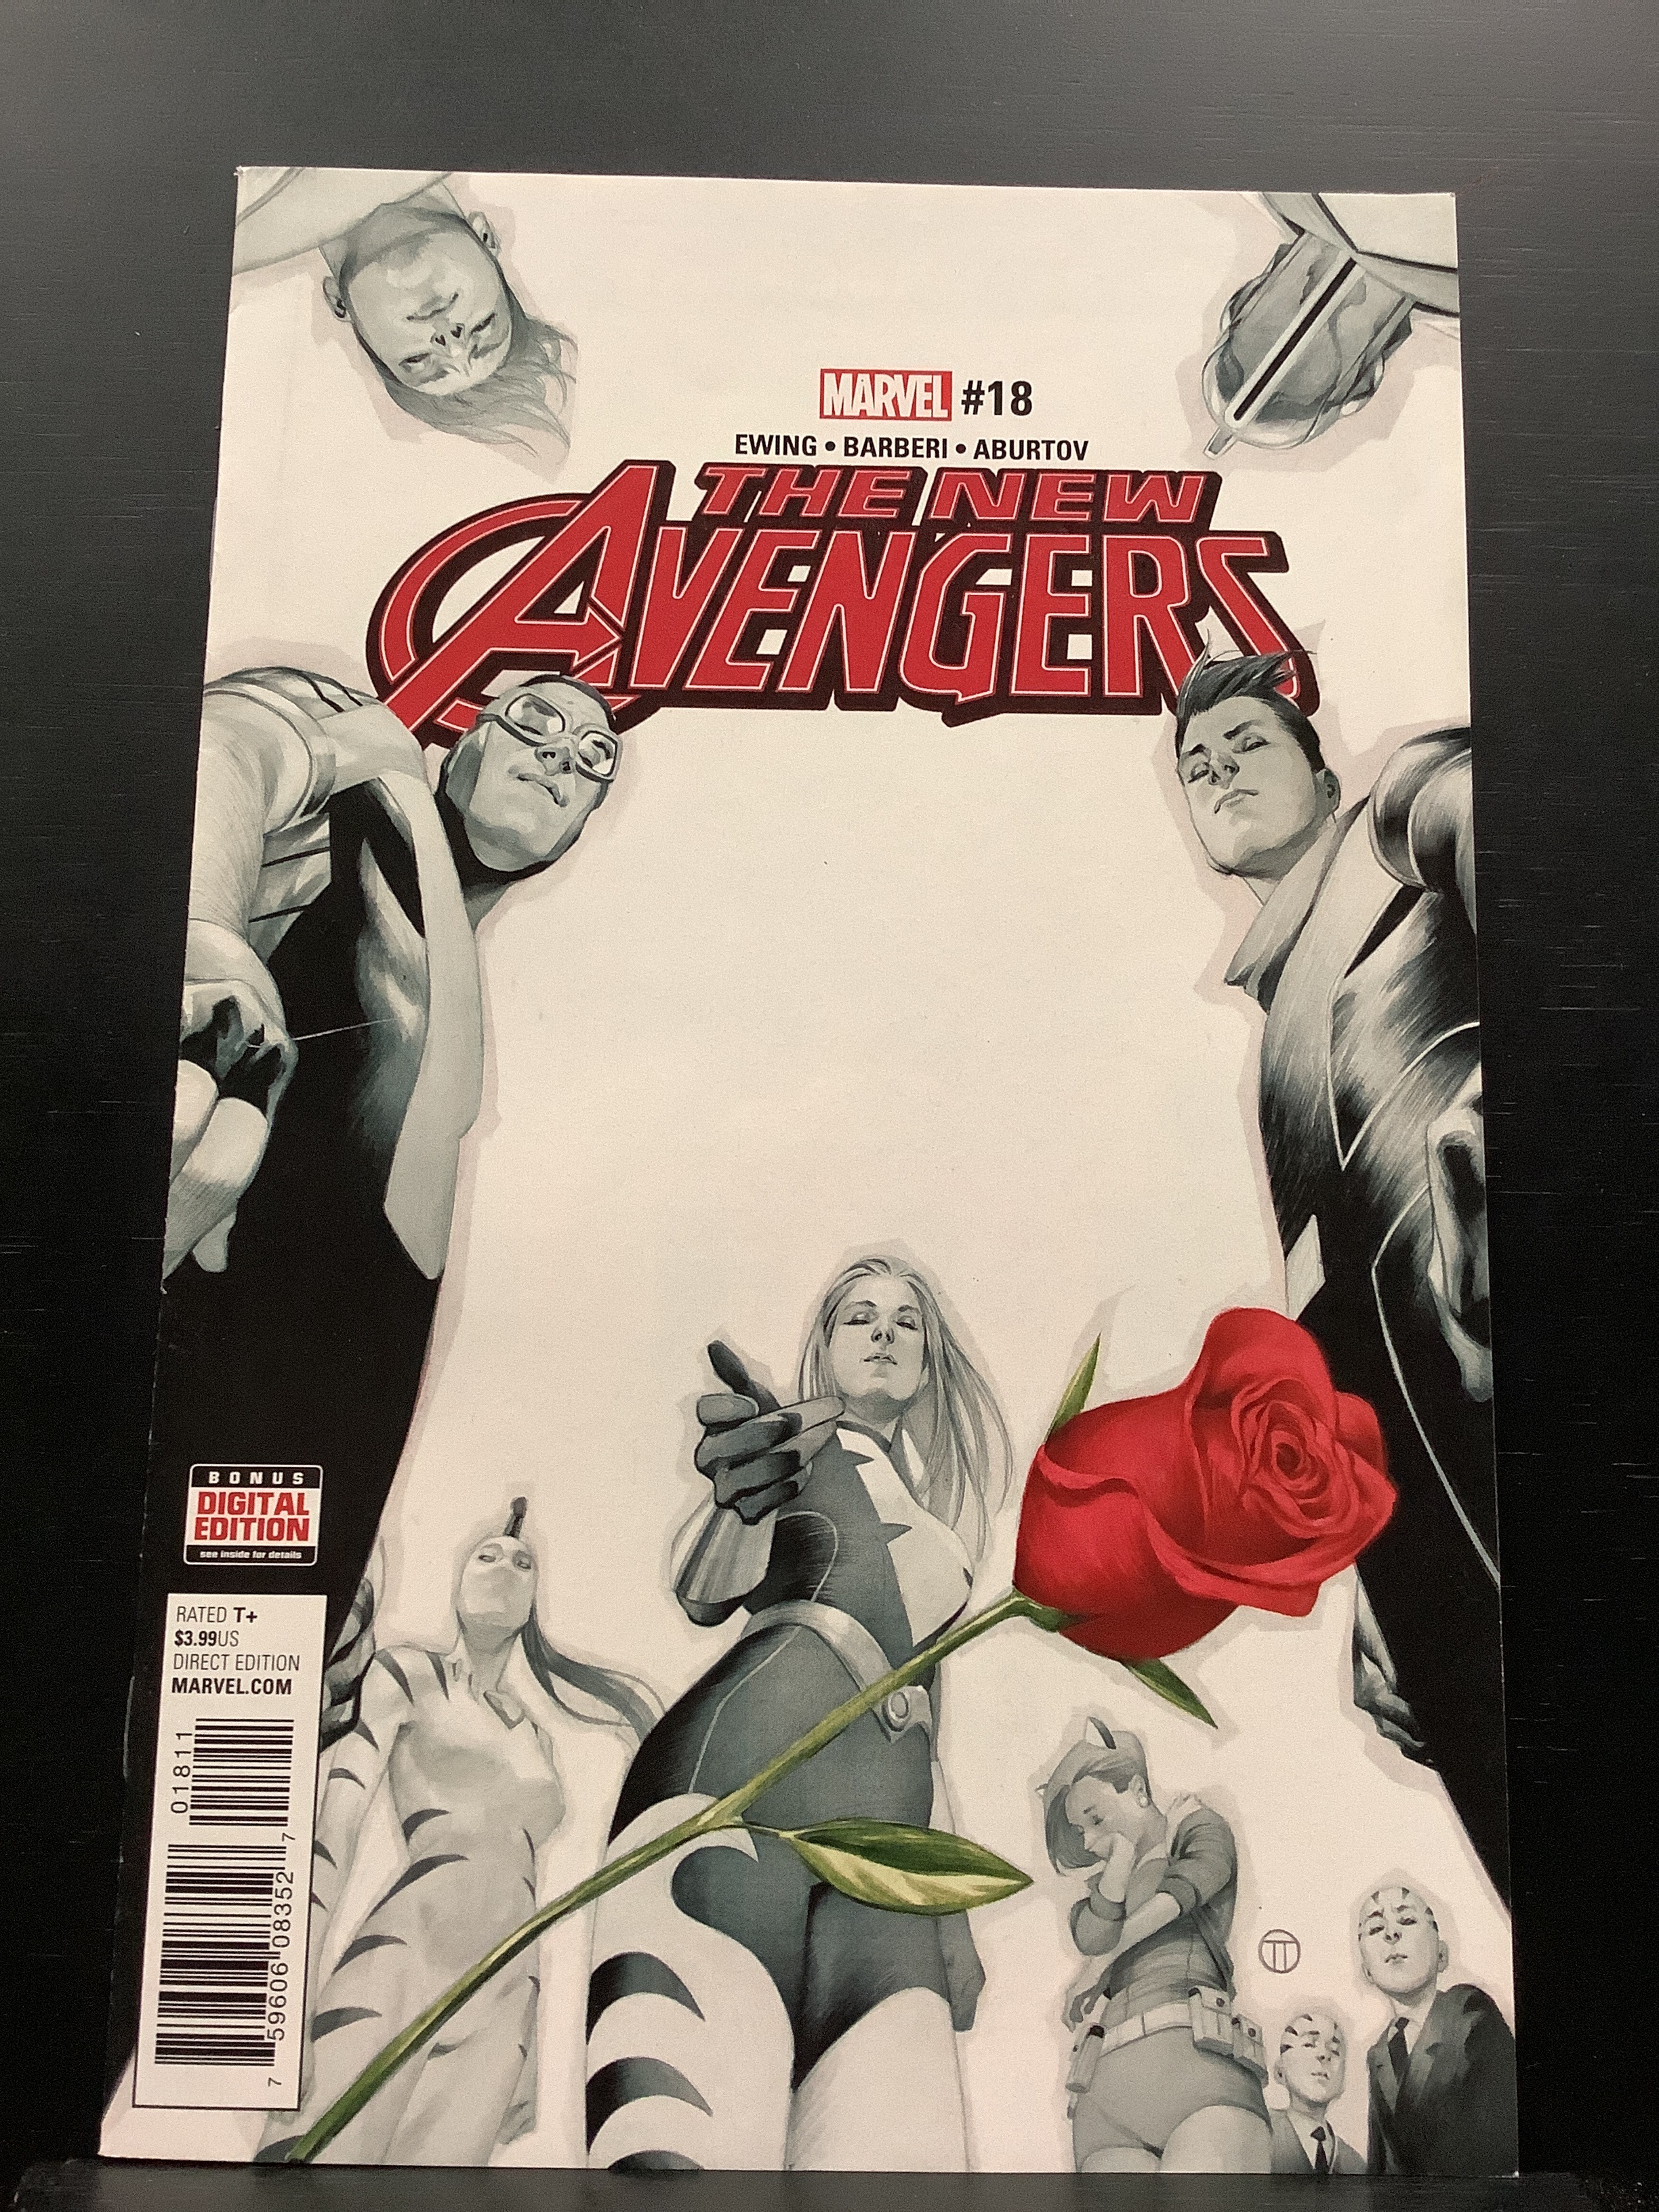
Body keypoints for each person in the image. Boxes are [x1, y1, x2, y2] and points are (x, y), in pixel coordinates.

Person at [1172, 650, 1507, 1904]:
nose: (1218, 773)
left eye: (1246, 744)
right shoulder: (1272, 1063)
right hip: (1435, 1545)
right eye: (1195, 768)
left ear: (1320, 774)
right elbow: (1331, 1330)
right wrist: (1377, 1574)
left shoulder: (1391, 817)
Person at [583, 1256, 1011, 2173]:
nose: (885, 1332)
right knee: (686, 2165)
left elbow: (922, 1708)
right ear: (824, 1345)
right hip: (736, 1793)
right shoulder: (793, 1437)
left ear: (930, 1361)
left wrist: (952, 1911)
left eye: (907, 1320)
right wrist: (745, 1495)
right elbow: (704, 1589)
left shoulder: (942, 1531)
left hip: (887, 1866)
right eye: (860, 1316)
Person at [258, 1501, 656, 2165]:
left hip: (501, 2000)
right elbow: (334, 1833)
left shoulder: (537, 1739)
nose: (505, 1567)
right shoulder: (407, 1674)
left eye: (523, 1562)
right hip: (402, 1962)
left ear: (534, 1602)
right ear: (457, 1581)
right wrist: (288, 2003)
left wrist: (530, 2040)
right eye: (486, 1555)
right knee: (311, 2170)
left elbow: (526, 1880)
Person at [1042, 1720, 1271, 2175]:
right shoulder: (1101, 1890)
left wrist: (1099, 1965)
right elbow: (1092, 1937)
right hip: (1103, 2090)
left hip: (1198, 2067)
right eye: (1080, 1831)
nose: (1090, 1841)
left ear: (1138, 1791)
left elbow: (1187, 1888)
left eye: (1095, 1819)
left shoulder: (1195, 1829)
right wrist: (1119, 1865)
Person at [232, 167, 571, 454]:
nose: (451, 344)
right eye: (483, 327)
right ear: (487, 238)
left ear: (339, 304)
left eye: (419, 361)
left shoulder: (230, 232)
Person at [1356, 1884, 1517, 2175]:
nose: (1391, 1934)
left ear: (1441, 1955)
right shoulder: (1378, 2055)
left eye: (1407, 1920)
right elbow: (1379, 2163)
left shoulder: (1468, 2012)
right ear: (1368, 1972)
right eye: (1376, 1928)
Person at [1269, 2010, 1365, 2176]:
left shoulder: (1356, 2165)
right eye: (1309, 2044)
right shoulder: (1260, 2132)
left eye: (1335, 2050)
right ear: (1280, 2072)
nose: (1324, 2054)